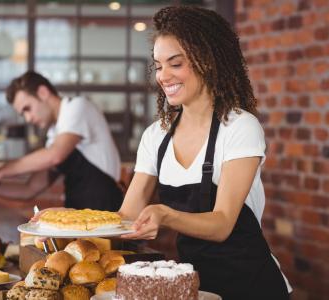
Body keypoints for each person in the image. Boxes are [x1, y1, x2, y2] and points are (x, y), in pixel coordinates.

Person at [118, 6, 292, 300]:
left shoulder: (239, 127)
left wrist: (165, 215)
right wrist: (64, 227)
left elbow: (222, 223)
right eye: (158, 65)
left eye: (175, 63)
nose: (163, 76)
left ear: (207, 62)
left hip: (252, 286)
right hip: (197, 288)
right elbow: (125, 217)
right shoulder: (156, 136)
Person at [0, 71, 123, 211]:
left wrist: (0, 172)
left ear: (43, 93)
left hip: (105, 214)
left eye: (28, 108)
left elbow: (55, 155)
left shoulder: (77, 107)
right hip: (78, 219)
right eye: (23, 114)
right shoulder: (55, 134)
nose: (28, 118)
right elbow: (30, 189)